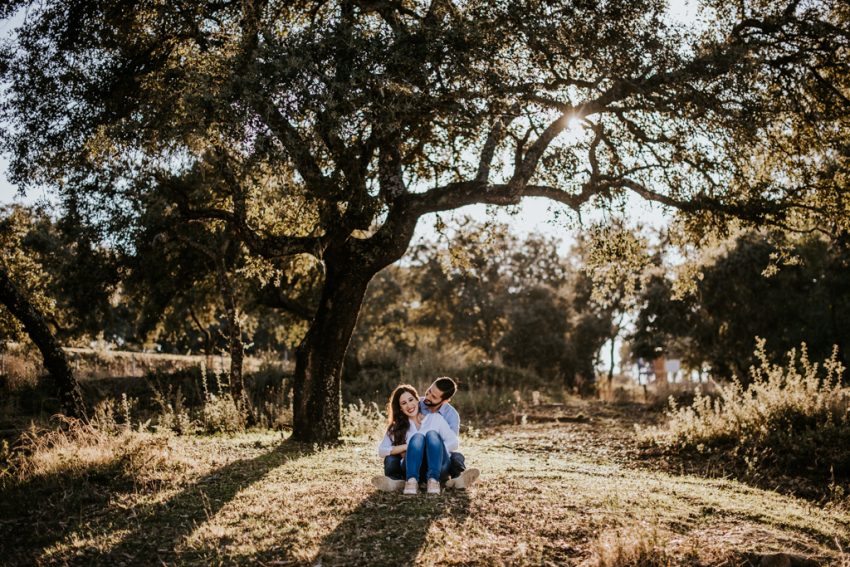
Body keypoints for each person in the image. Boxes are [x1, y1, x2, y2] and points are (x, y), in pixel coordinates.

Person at [373, 378, 480, 492]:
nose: (427, 397)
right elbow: (382, 450)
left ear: (444, 401)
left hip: (438, 463)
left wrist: (431, 449)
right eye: (428, 391)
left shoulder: (443, 417)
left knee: (454, 455)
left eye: (433, 397)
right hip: (411, 466)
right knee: (394, 456)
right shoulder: (401, 423)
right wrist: (408, 447)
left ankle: (457, 478)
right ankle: (397, 482)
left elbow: (452, 443)